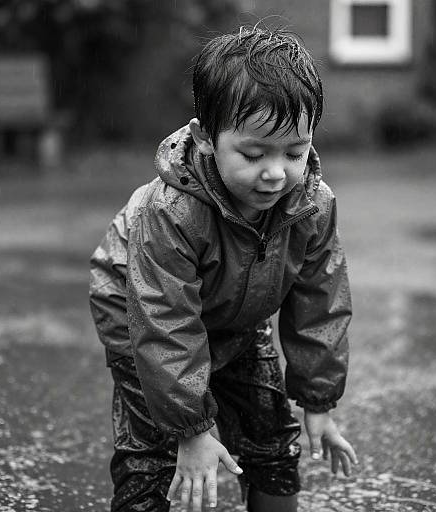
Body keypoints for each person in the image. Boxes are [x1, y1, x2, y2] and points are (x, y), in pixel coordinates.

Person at [89, 24, 357, 512]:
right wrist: (192, 430)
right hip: (139, 322)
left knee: (272, 438)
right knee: (155, 454)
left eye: (295, 152)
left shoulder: (312, 206)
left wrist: (318, 401)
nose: (275, 173)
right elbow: (164, 320)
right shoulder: (171, 211)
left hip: (236, 319)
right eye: (253, 154)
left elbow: (321, 299)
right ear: (206, 138)